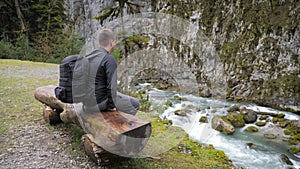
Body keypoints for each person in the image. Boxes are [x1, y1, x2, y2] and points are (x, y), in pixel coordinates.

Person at [82, 29, 140, 115]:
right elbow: (111, 87)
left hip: (87, 104)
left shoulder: (89, 56)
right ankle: (124, 127)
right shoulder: (109, 59)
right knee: (135, 104)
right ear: (111, 41)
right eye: (115, 41)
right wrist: (112, 106)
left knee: (119, 96)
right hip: (99, 104)